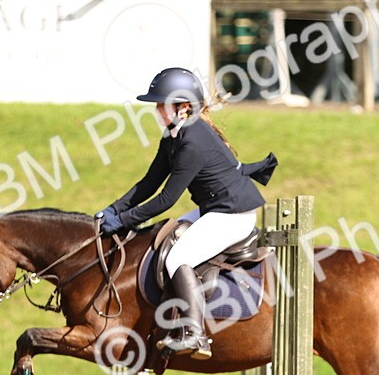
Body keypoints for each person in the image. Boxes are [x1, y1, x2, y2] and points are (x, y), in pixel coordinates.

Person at [94, 68, 278, 360]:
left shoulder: (193, 142)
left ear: (182, 107)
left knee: (178, 257)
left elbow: (166, 199)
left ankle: (195, 333)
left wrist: (126, 221)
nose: (156, 110)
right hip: (215, 209)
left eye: (160, 104)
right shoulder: (174, 135)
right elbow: (149, 183)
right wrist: (114, 209)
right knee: (163, 236)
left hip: (233, 215)